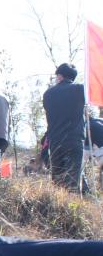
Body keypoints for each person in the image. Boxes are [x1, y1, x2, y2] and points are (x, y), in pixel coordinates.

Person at [42, 63, 88, 192]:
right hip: (74, 139)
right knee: (73, 178)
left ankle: (58, 208)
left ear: (60, 76)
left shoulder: (48, 93)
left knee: (57, 179)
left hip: (55, 139)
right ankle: (74, 205)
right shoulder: (80, 89)